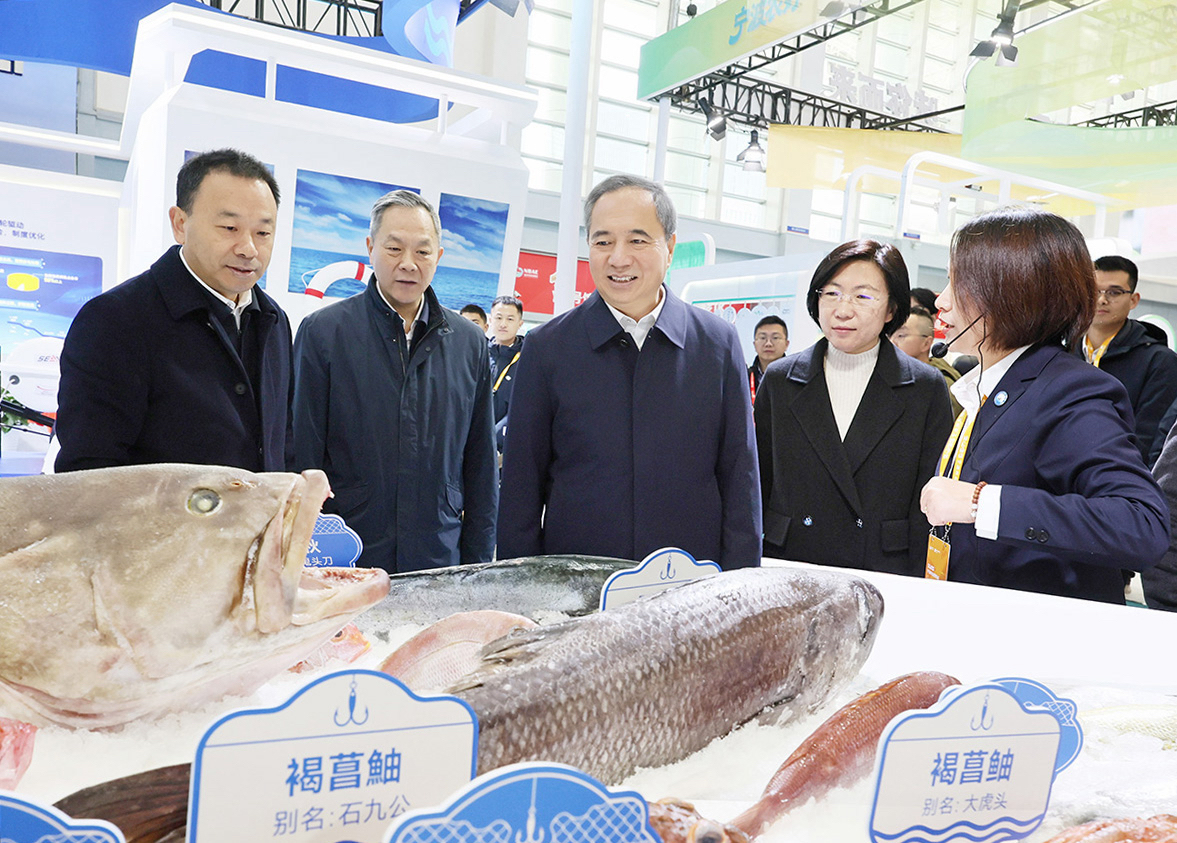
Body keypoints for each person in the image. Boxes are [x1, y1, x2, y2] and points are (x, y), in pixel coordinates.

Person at [497, 174, 761, 570]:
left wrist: (741, 592)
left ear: (669, 247)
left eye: (638, 240)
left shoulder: (717, 344)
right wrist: (523, 597)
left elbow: (741, 480)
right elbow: (521, 489)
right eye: (603, 241)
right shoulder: (548, 348)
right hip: (579, 588)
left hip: (689, 591)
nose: (618, 258)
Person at [919, 207, 1168, 604]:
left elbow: (1139, 524)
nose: (942, 301)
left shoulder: (1069, 390)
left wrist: (982, 503)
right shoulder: (992, 381)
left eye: (957, 282)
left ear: (1011, 292)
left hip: (1036, 645)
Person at [292, 190, 497, 573]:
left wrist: (477, 568)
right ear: (370, 248)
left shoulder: (469, 342)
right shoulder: (324, 332)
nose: (408, 264)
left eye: (422, 251)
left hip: (438, 554)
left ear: (438, 256)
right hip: (348, 555)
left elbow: (481, 464)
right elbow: (301, 452)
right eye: (394, 248)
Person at [55, 148, 292, 473]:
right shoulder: (115, 320)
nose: (249, 249)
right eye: (229, 228)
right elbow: (88, 474)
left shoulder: (275, 321)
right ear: (180, 223)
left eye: (263, 232)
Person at [755, 240, 953, 577]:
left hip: (881, 566)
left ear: (892, 309)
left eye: (863, 296)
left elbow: (928, 501)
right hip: (790, 561)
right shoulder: (781, 380)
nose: (842, 310)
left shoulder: (924, 387)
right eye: (831, 294)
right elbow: (759, 482)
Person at [1074, 255, 1177, 467]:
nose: (1102, 299)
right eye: (1094, 290)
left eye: (1114, 292)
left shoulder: (1159, 361)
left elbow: (1148, 438)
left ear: (1134, 300)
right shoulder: (1061, 351)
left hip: (1115, 476)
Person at [892, 306, 963, 418]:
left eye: (901, 335)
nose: (892, 342)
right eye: (890, 335)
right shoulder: (895, 374)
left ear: (926, 343)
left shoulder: (941, 385)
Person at [488, 295, 525, 451]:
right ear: (490, 320)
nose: (503, 324)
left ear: (519, 324)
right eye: (499, 318)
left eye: (510, 319)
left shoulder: (528, 359)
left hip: (506, 444)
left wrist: (494, 438)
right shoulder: (478, 353)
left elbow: (524, 407)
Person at [748, 314, 788, 401]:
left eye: (775, 338)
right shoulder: (744, 378)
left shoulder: (794, 378)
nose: (768, 343)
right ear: (754, 344)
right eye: (763, 338)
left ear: (786, 344)